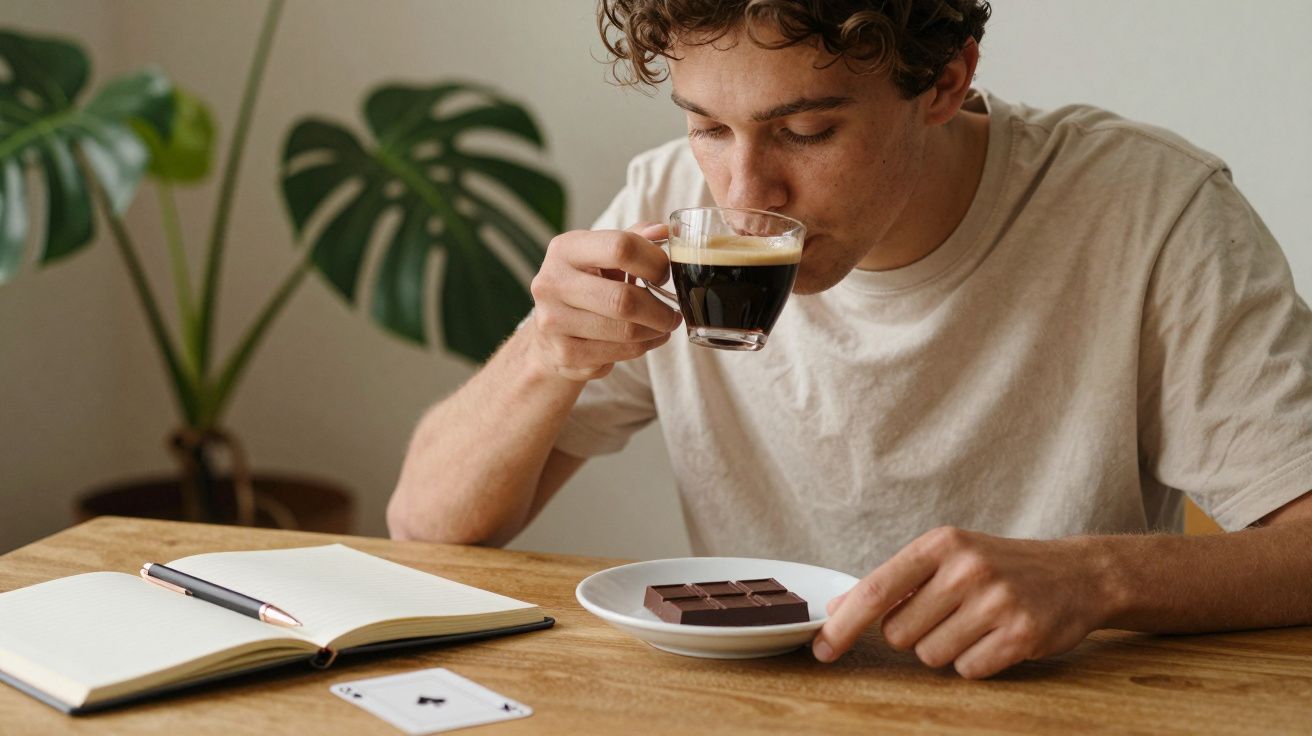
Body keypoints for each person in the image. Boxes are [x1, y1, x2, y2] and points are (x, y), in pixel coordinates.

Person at [387, 0, 1312, 678]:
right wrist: (546, 355)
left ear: (945, 81)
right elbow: (426, 528)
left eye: (806, 129)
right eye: (708, 125)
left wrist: (1097, 576)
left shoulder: (1150, 211)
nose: (746, 190)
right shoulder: (668, 213)